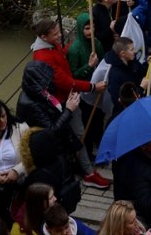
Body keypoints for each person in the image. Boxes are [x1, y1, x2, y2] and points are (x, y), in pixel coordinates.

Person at [30, 18, 109, 189]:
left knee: (77, 134)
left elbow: (62, 57)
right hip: (62, 102)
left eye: (59, 31)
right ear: (43, 36)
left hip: (67, 98)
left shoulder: (51, 47)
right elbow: (64, 81)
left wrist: (72, 48)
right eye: (56, 34)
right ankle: (87, 173)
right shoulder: (43, 57)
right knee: (77, 134)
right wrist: (93, 86)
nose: (60, 35)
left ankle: (84, 169)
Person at [66, 13, 104, 157]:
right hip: (83, 93)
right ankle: (87, 153)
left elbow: (101, 64)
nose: (90, 31)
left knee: (98, 120)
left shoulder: (97, 43)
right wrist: (89, 66)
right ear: (81, 29)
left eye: (92, 27)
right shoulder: (74, 49)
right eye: (87, 28)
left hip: (97, 89)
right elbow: (73, 75)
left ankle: (98, 146)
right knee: (86, 124)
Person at [103, 37, 149, 118]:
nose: (134, 52)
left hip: (137, 106)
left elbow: (141, 72)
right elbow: (120, 101)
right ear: (122, 53)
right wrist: (141, 88)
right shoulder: (115, 74)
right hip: (125, 114)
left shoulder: (132, 62)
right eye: (131, 50)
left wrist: (149, 63)